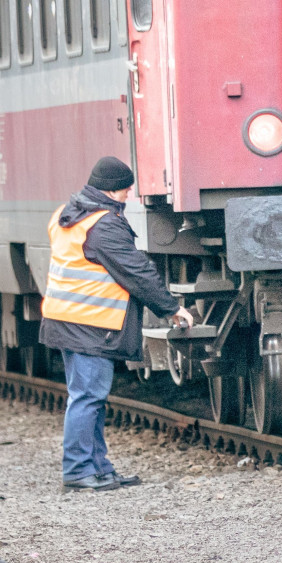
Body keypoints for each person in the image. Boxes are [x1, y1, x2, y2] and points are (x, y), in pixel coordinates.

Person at [41, 157, 192, 491]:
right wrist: (171, 308)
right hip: (89, 323)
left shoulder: (67, 214)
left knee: (90, 396)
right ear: (111, 189)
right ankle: (79, 469)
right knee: (87, 397)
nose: (128, 195)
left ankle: (99, 468)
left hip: (66, 319)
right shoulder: (103, 224)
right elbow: (136, 271)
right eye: (126, 189)